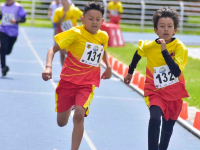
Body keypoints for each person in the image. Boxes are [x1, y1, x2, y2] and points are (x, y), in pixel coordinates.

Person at [42, 1, 112, 150]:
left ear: (102, 21)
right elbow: (52, 50)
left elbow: (102, 50)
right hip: (68, 82)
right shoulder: (75, 33)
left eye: (97, 19)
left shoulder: (103, 36)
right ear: (83, 19)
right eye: (90, 18)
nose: (94, 22)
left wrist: (109, 66)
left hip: (87, 83)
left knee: (79, 115)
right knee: (61, 122)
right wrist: (48, 67)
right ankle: (71, 104)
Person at [124, 7, 189, 150]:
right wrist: (130, 71)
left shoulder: (180, 48)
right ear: (156, 30)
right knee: (154, 118)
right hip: (155, 91)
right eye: (162, 26)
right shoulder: (150, 46)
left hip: (174, 93)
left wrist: (165, 51)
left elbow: (176, 71)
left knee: (167, 130)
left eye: (169, 26)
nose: (166, 29)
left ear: (175, 30)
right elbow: (138, 52)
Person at [0, 0, 26, 76]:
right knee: (3, 48)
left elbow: (24, 19)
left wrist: (16, 20)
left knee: (7, 51)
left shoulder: (18, 7)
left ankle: (4, 66)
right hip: (3, 30)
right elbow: (1, 16)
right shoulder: (2, 6)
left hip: (13, 33)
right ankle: (3, 67)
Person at [53, 0, 82, 66]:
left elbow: (84, 18)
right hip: (62, 34)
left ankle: (71, 67)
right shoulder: (58, 11)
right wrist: (62, 18)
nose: (63, 2)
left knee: (70, 53)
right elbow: (56, 24)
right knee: (62, 53)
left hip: (73, 34)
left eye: (65, 0)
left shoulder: (75, 10)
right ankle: (63, 68)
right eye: (62, 0)